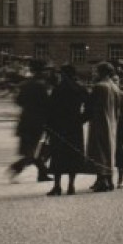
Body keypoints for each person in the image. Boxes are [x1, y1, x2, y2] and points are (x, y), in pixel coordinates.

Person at [44, 65, 91, 195]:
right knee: (73, 155)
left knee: (57, 156)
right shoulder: (80, 89)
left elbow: (49, 110)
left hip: (58, 126)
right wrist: (81, 119)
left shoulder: (57, 89)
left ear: (64, 74)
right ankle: (71, 185)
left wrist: (48, 127)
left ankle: (57, 186)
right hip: (75, 126)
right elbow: (90, 108)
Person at [85, 62, 123, 192]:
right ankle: (109, 180)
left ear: (102, 72)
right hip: (112, 123)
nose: (95, 73)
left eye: (97, 71)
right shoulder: (115, 88)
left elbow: (90, 106)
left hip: (99, 123)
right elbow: (121, 111)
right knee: (109, 150)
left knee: (99, 151)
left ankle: (102, 180)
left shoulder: (99, 87)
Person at [10, 67, 51, 181]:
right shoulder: (41, 86)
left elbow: (19, 101)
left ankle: (42, 173)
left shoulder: (25, 85)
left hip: (25, 120)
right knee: (34, 150)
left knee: (32, 149)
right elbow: (47, 105)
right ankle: (16, 167)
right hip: (37, 122)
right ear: (41, 72)